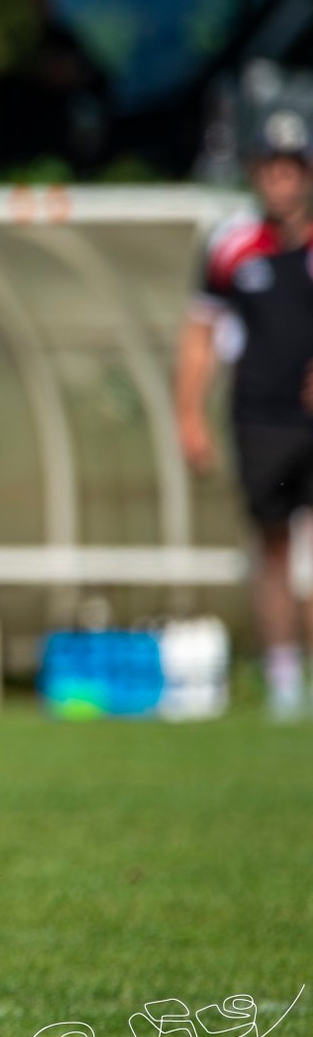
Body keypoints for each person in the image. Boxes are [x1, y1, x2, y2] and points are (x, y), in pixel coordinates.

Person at [176, 108, 313, 721]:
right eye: (272, 167)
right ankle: (284, 678)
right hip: (260, 419)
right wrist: (189, 414)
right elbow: (199, 335)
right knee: (274, 546)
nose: (281, 180)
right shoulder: (231, 245)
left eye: (293, 168)